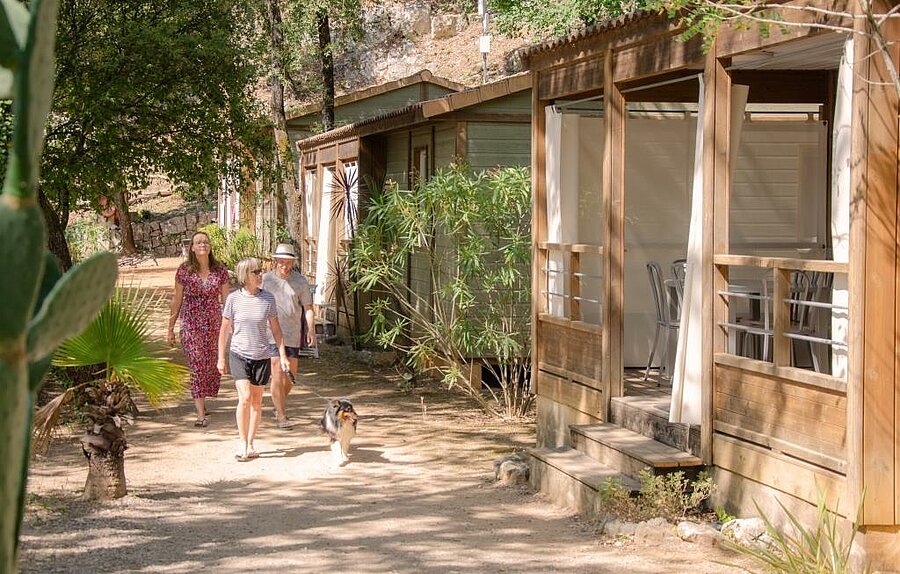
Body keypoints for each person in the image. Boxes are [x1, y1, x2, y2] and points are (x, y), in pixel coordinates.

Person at [218, 257, 290, 462]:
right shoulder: (233, 299)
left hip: (262, 355)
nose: (260, 275)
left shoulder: (268, 298)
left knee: (257, 403)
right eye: (255, 272)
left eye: (260, 271)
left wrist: (282, 355)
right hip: (239, 354)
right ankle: (241, 442)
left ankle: (250, 443)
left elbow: (276, 330)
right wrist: (220, 358)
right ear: (244, 276)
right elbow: (224, 330)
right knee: (246, 397)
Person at [168, 231, 230, 428]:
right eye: (198, 242)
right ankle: (200, 413)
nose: (202, 244)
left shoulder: (220, 271)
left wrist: (234, 325)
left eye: (205, 241)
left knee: (211, 367)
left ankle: (203, 398)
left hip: (214, 325)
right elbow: (177, 300)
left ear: (210, 246)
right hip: (191, 324)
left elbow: (227, 301)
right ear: (192, 247)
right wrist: (170, 327)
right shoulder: (184, 271)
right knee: (196, 366)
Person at [262, 243, 317, 429]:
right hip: (270, 334)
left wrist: (311, 330)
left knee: (290, 376)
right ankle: (281, 415)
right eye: (281, 262)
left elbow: (308, 308)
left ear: (293, 262)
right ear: (275, 261)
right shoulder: (265, 280)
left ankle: (279, 405)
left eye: (288, 262)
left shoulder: (300, 282)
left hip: (293, 334)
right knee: (277, 371)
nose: (284, 266)